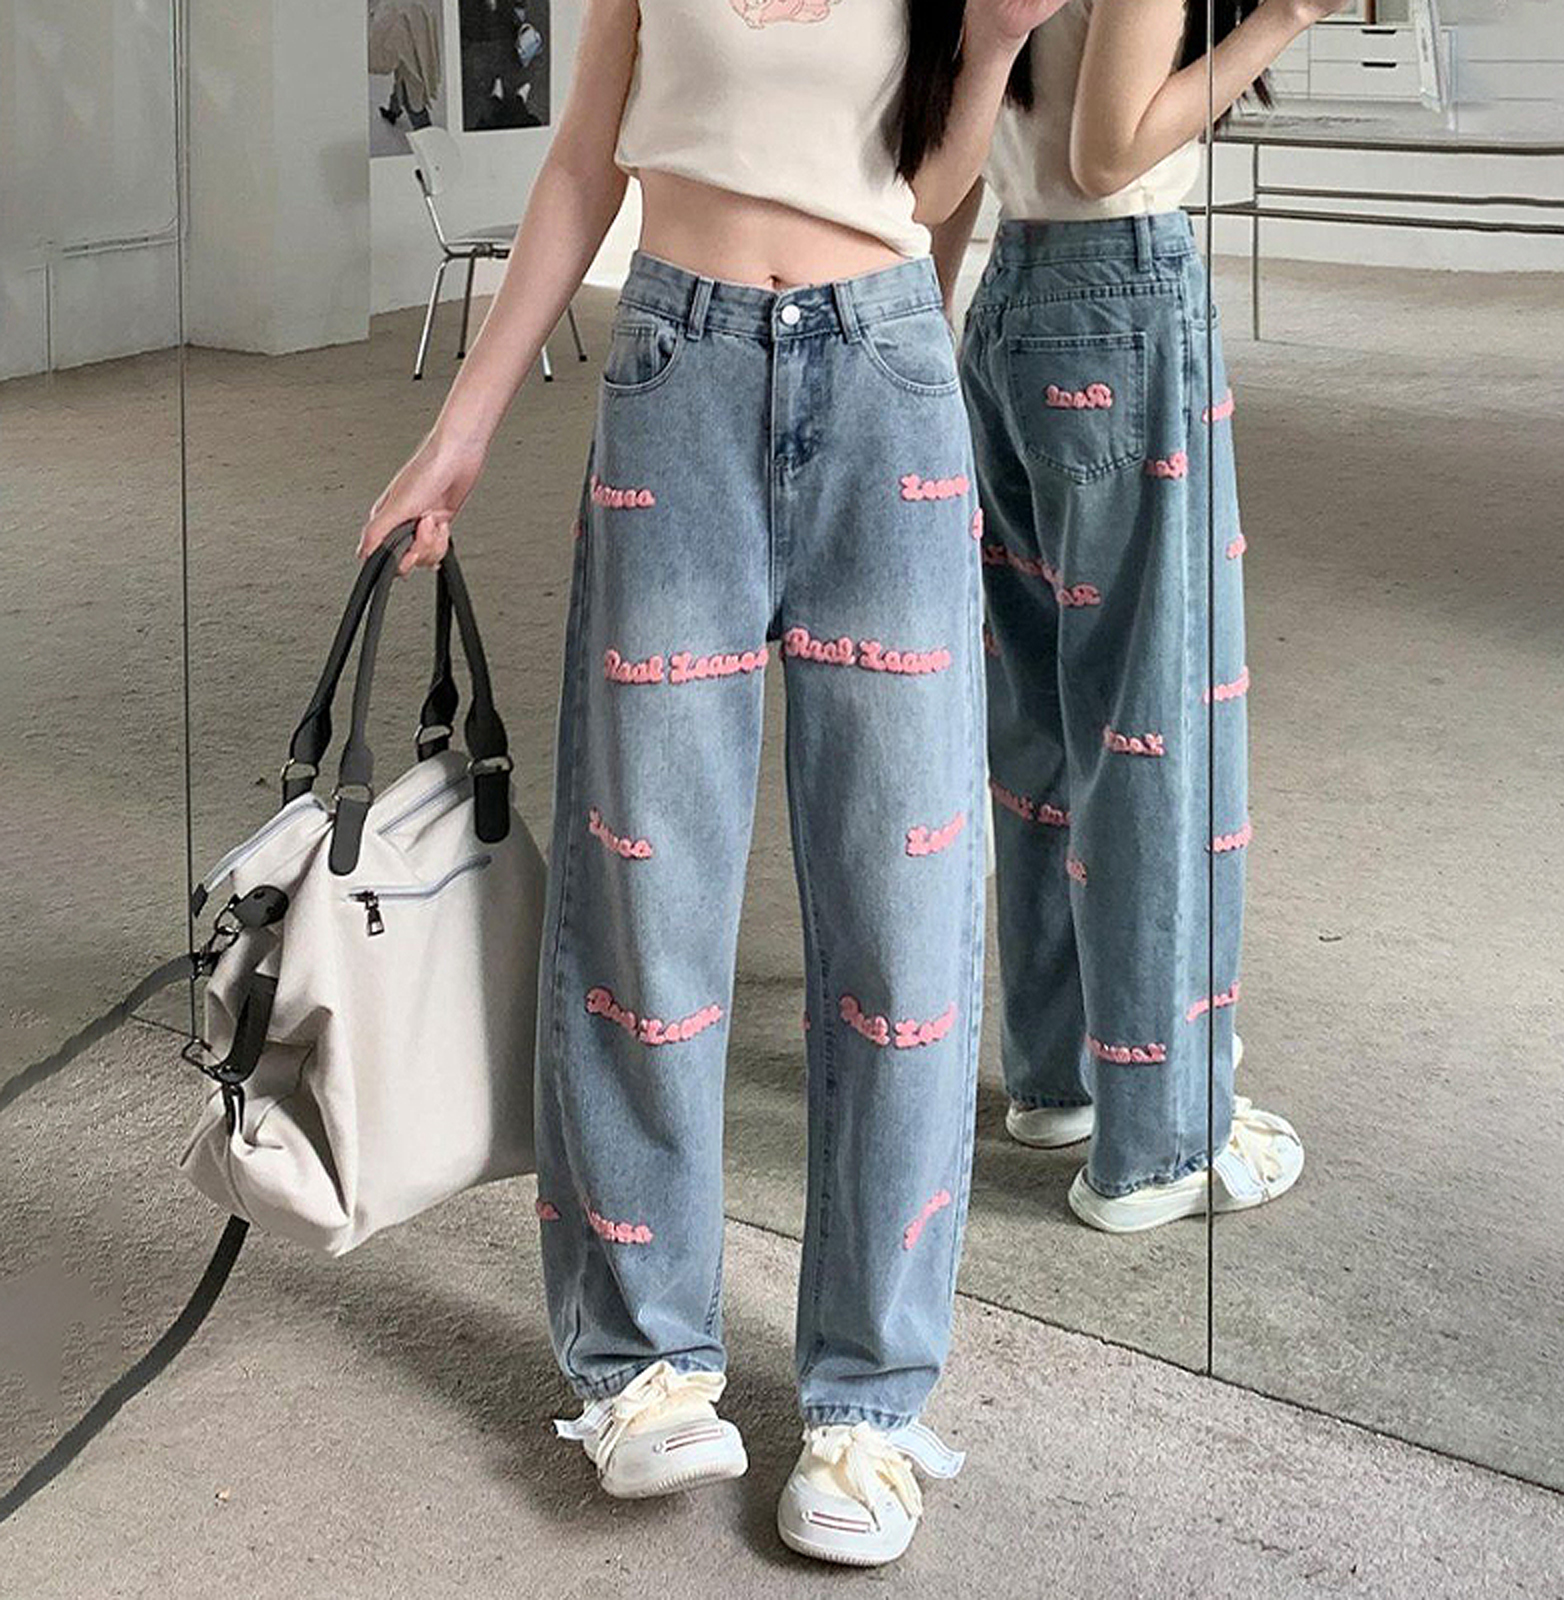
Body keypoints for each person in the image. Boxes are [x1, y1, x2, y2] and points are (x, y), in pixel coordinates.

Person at [359, 0, 1067, 1568]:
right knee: (646, 888)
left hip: (885, 378)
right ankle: (644, 1360)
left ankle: (869, 1402)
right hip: (676, 374)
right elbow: (583, 167)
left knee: (901, 917)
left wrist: (996, 42)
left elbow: (929, 185)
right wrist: (463, 426)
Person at [935, 0, 1340, 1234]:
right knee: (1153, 721)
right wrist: (1283, 20)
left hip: (1010, 296)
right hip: (1120, 295)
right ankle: (1160, 1143)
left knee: (1045, 719)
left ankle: (1060, 1077)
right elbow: (1109, 152)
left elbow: (969, 141)